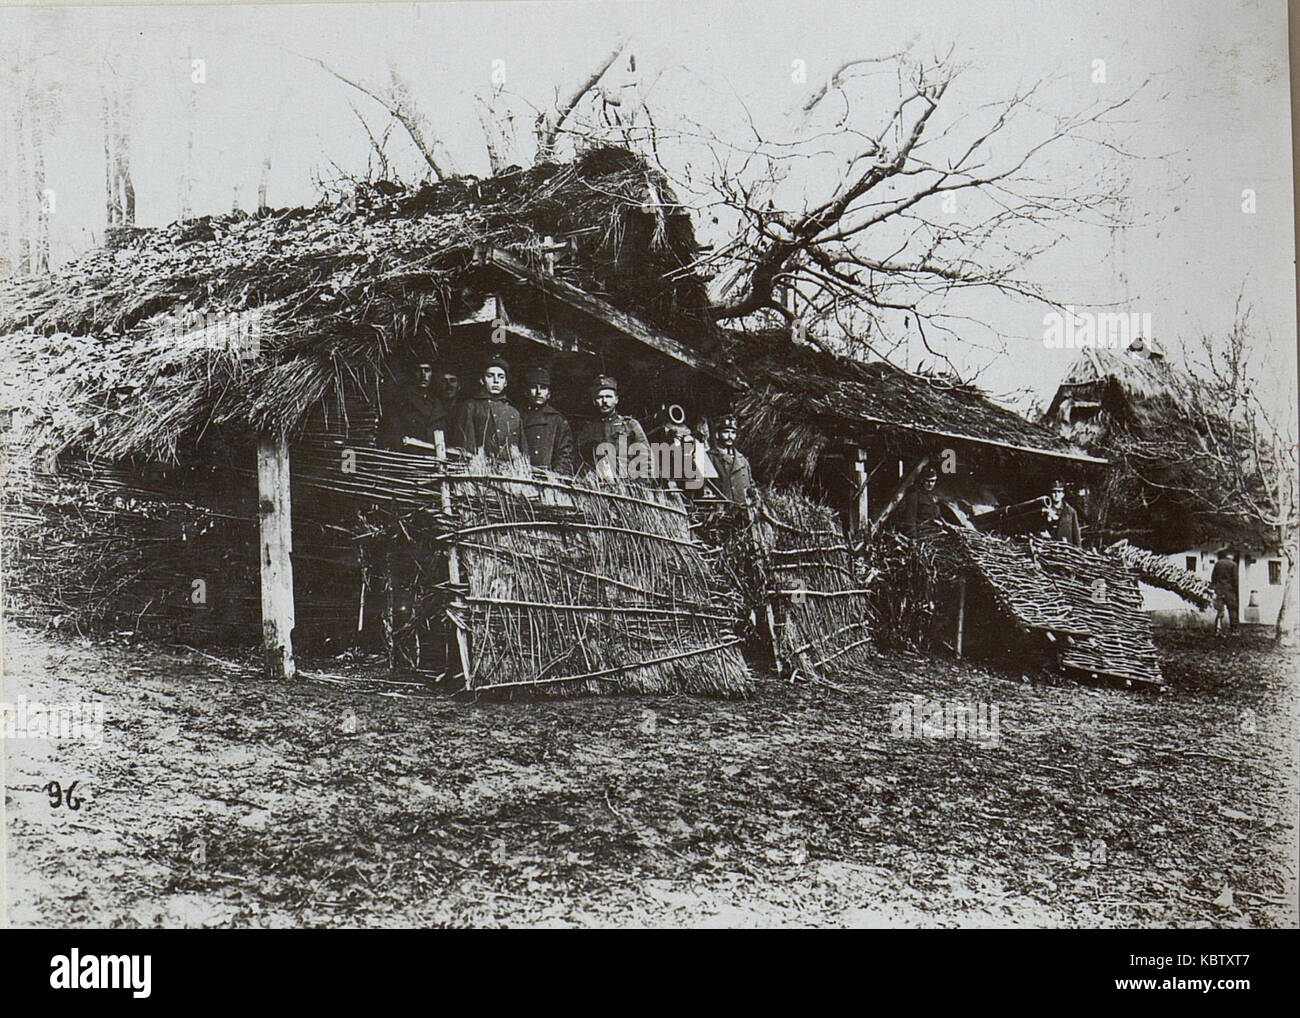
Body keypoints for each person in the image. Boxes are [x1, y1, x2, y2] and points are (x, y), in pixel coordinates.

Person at [449, 355, 529, 460]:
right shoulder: (471, 407)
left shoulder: (514, 412)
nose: (496, 380)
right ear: (482, 380)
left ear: (505, 383)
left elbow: (523, 452)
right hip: (480, 469)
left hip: (509, 472)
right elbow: (466, 445)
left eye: (501, 377)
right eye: (490, 376)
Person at [575, 374, 650, 477]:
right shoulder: (587, 430)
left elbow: (646, 458)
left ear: (616, 400)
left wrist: (641, 484)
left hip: (627, 484)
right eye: (600, 397)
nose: (604, 401)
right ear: (594, 401)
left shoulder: (629, 425)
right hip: (597, 486)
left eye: (608, 396)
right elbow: (577, 459)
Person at [376, 359, 448, 451]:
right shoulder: (402, 400)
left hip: (433, 457)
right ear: (412, 373)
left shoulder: (437, 403)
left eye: (427, 370)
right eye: (418, 370)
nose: (423, 375)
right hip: (410, 456)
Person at [519, 364, 574, 474]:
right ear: (526, 392)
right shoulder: (519, 417)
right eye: (534, 387)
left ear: (549, 394)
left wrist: (556, 475)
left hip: (549, 478)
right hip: (524, 476)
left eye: (543, 388)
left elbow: (565, 454)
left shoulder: (557, 420)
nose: (539, 392)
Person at [707, 412, 756, 506]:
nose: (730, 436)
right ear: (717, 434)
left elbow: (751, 485)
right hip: (720, 513)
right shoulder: (709, 458)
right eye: (726, 432)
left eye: (733, 433)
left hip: (743, 512)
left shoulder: (742, 460)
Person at [903, 465, 942, 536]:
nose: (930, 484)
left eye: (932, 481)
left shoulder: (932, 496)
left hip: (934, 534)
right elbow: (910, 519)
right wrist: (913, 539)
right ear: (922, 480)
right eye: (927, 481)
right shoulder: (914, 495)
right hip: (922, 534)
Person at [1043, 478, 1081, 545]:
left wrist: (1078, 548)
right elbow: (1041, 531)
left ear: (1063, 494)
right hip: (1050, 548)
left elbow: (1076, 533)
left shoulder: (1071, 512)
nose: (1056, 494)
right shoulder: (1045, 510)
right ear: (1051, 494)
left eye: (1059, 492)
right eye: (1054, 492)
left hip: (1066, 549)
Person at [1211, 548, 1240, 635]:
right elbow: (1235, 580)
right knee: (1232, 610)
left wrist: (1216, 588)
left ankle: (1218, 630)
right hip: (1229, 590)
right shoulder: (1233, 565)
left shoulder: (1218, 564)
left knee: (1219, 610)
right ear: (1231, 555)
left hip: (1219, 590)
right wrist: (1236, 591)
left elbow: (1213, 578)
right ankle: (1234, 630)